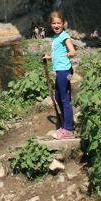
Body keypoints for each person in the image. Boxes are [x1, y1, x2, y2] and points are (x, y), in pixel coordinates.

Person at [42, 10, 76, 139]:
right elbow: (57, 54)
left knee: (64, 99)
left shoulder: (64, 36)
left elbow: (72, 50)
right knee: (58, 97)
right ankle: (66, 124)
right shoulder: (55, 38)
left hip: (64, 70)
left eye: (59, 23)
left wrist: (70, 53)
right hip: (59, 71)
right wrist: (49, 57)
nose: (56, 25)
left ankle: (68, 129)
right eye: (54, 23)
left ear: (63, 24)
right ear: (51, 24)